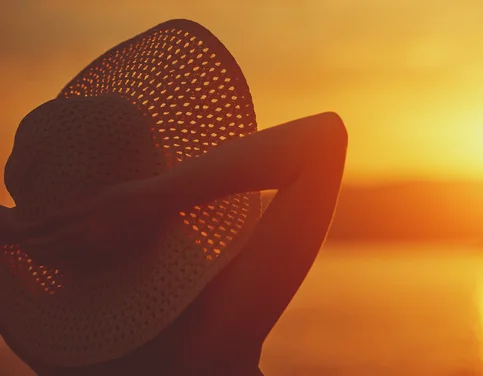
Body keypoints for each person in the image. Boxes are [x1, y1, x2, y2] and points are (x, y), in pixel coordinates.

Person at [0, 19, 348, 376]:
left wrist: (18, 226)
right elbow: (323, 141)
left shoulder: (55, 351)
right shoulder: (210, 334)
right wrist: (150, 197)